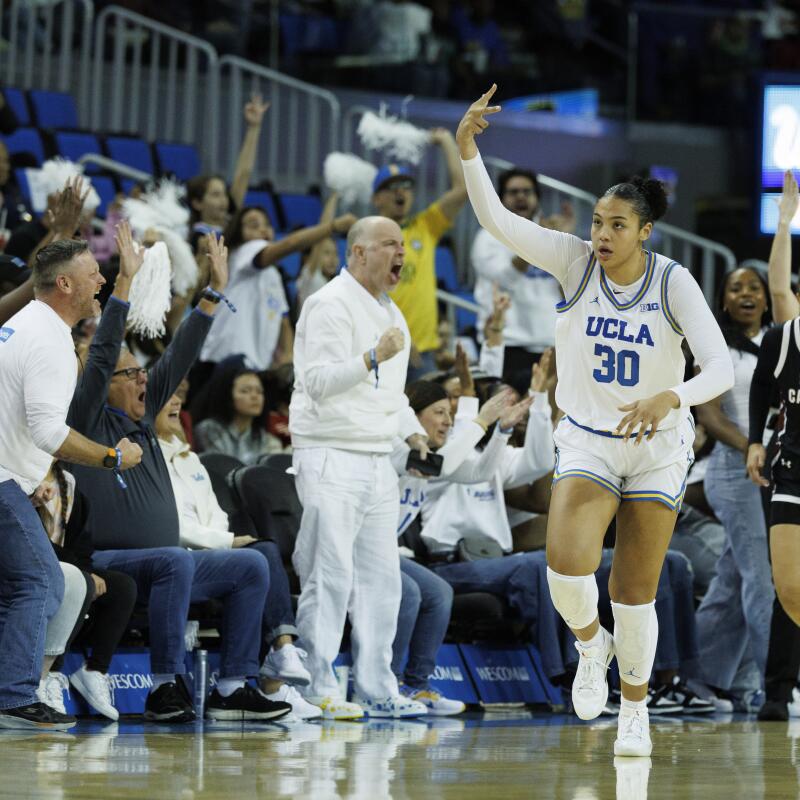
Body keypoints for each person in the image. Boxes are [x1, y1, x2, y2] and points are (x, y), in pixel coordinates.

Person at [456, 85, 734, 757]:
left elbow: (720, 369)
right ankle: (590, 646)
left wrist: (673, 398)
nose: (600, 234)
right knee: (564, 567)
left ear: (644, 232)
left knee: (634, 589)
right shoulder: (573, 261)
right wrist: (467, 150)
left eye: (615, 225)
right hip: (588, 438)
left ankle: (633, 711)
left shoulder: (674, 282)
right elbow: (497, 221)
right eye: (597, 221)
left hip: (657, 447)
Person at [67, 226, 291, 724]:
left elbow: (182, 352)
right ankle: (164, 684)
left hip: (166, 565)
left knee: (253, 565)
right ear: (101, 385)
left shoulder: (143, 421)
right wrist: (123, 284)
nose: (144, 378)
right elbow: (103, 355)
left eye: (143, 373)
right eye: (132, 374)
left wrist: (214, 292)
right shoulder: (84, 418)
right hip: (109, 560)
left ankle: (233, 686)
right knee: (175, 560)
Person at [289, 215, 430, 720]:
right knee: (329, 573)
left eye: (403, 247)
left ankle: (375, 686)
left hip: (376, 458)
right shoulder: (328, 304)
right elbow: (318, 382)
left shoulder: (392, 311)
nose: (400, 254)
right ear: (357, 253)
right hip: (330, 453)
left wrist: (411, 428)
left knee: (381, 578)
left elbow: (392, 393)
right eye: (389, 245)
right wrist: (373, 355)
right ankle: (317, 685)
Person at [0, 237, 142, 730]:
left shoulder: (25, 326)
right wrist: (110, 457)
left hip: (9, 479)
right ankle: (14, 697)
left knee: (22, 584)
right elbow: (48, 432)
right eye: (92, 274)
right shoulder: (46, 338)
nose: (99, 280)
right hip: (0, 481)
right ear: (64, 284)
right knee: (41, 580)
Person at [155, 392, 321, 721]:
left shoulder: (190, 459)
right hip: (178, 554)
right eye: (167, 399)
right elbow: (169, 521)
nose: (177, 404)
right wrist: (225, 542)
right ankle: (274, 670)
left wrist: (223, 541)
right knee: (256, 558)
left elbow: (216, 513)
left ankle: (277, 657)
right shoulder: (146, 458)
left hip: (213, 552)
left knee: (264, 550)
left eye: (179, 399)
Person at [392, 379, 530, 714]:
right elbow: (442, 465)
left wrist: (500, 433)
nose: (448, 421)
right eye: (439, 412)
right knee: (408, 592)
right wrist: (480, 420)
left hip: (383, 550)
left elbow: (480, 472)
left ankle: (416, 685)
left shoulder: (432, 458)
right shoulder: (398, 450)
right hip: (356, 548)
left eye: (449, 413)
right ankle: (389, 683)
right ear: (412, 416)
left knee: (438, 592)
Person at [689, 267, 774, 711]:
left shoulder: (780, 342)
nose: (746, 295)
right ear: (723, 301)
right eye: (735, 288)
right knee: (763, 579)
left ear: (766, 297)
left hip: (776, 471)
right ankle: (777, 685)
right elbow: (710, 416)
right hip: (734, 470)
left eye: (754, 288)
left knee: (734, 578)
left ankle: (698, 678)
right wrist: (753, 446)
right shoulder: (715, 347)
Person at [749, 169, 800, 721]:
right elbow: (779, 287)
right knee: (789, 592)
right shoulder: (792, 335)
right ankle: (780, 688)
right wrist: (784, 222)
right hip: (792, 473)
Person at [198, 203, 356, 371]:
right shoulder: (242, 253)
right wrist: (333, 226)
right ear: (239, 233)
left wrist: (288, 356)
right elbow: (290, 243)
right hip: (222, 360)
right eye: (254, 226)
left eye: (267, 225)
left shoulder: (272, 274)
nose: (263, 230)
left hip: (256, 368)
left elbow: (283, 319)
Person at [36, 462, 138, 721]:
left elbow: (81, 542)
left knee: (122, 587)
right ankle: (49, 675)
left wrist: (85, 569)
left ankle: (94, 670)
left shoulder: (68, 483)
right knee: (79, 581)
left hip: (69, 564)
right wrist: (82, 571)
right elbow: (32, 539)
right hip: (33, 564)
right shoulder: (22, 478)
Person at [371, 128, 468, 379]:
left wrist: (447, 141)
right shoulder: (368, 237)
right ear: (376, 199)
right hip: (383, 346)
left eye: (405, 185)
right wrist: (393, 333)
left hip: (424, 352)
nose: (400, 192)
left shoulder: (425, 227)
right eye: (390, 187)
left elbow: (461, 190)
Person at [471, 166, 571, 384]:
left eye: (527, 192)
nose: (521, 197)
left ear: (537, 198)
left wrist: (564, 244)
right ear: (500, 199)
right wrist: (538, 239)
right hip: (508, 346)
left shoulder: (551, 237)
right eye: (513, 192)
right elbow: (506, 279)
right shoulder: (487, 238)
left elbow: (570, 291)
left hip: (550, 344)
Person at [186, 93, 270, 246]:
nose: (224, 200)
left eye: (224, 194)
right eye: (215, 195)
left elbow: (243, 175)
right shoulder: (197, 235)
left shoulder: (231, 223)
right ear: (197, 203)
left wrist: (254, 127)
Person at [194, 366, 283, 463]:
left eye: (259, 391)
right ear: (228, 396)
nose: (255, 396)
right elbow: (219, 468)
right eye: (245, 391)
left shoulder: (263, 438)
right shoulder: (209, 429)